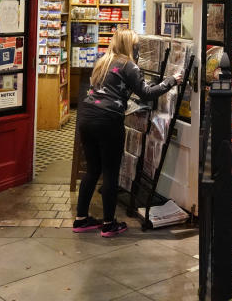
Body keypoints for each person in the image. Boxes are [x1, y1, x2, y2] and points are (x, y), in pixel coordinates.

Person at [73, 28, 182, 237]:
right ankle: (108, 224)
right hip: (108, 121)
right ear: (129, 46)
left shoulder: (103, 61)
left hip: (86, 118)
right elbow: (146, 94)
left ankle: (81, 219)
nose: (137, 47)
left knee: (92, 171)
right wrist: (171, 80)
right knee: (111, 173)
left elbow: (113, 88)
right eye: (135, 44)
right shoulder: (128, 64)